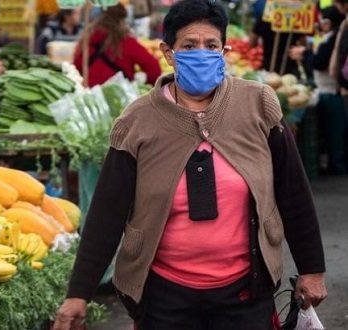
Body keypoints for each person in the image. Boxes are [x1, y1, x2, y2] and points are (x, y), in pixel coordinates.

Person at [53, 1, 327, 329]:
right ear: (169, 53)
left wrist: (312, 269)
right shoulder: (137, 120)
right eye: (189, 45)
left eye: (211, 45)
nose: (202, 53)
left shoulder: (257, 104)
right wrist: (78, 293)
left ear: (224, 50)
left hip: (245, 291)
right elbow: (107, 213)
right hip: (164, 297)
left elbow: (293, 191)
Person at [289, 6, 347, 174]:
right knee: (332, 135)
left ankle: (339, 168)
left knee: (335, 136)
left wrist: (305, 54)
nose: (321, 24)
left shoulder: (333, 38)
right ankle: (335, 165)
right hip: (327, 90)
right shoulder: (330, 37)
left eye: (324, 21)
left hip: (331, 92)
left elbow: (319, 62)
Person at [73, 4, 161, 87]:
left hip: (90, 96)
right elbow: (154, 69)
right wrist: (143, 81)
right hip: (121, 96)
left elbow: (76, 68)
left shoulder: (87, 40)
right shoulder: (127, 42)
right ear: (122, 20)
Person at [250, 1, 302, 75]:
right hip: (290, 71)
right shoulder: (297, 19)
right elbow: (303, 44)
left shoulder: (264, 17)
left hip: (268, 69)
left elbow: (251, 43)